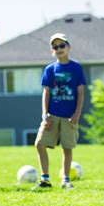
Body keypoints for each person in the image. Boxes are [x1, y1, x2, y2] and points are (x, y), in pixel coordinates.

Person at [33, 33, 86, 190]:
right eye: (55, 47)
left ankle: (65, 180)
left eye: (62, 45)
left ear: (69, 47)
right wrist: (45, 115)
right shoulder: (50, 69)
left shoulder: (76, 68)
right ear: (52, 51)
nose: (59, 49)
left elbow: (81, 92)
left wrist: (77, 113)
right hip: (52, 115)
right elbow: (46, 93)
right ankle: (45, 179)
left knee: (67, 148)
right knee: (39, 144)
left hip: (70, 116)